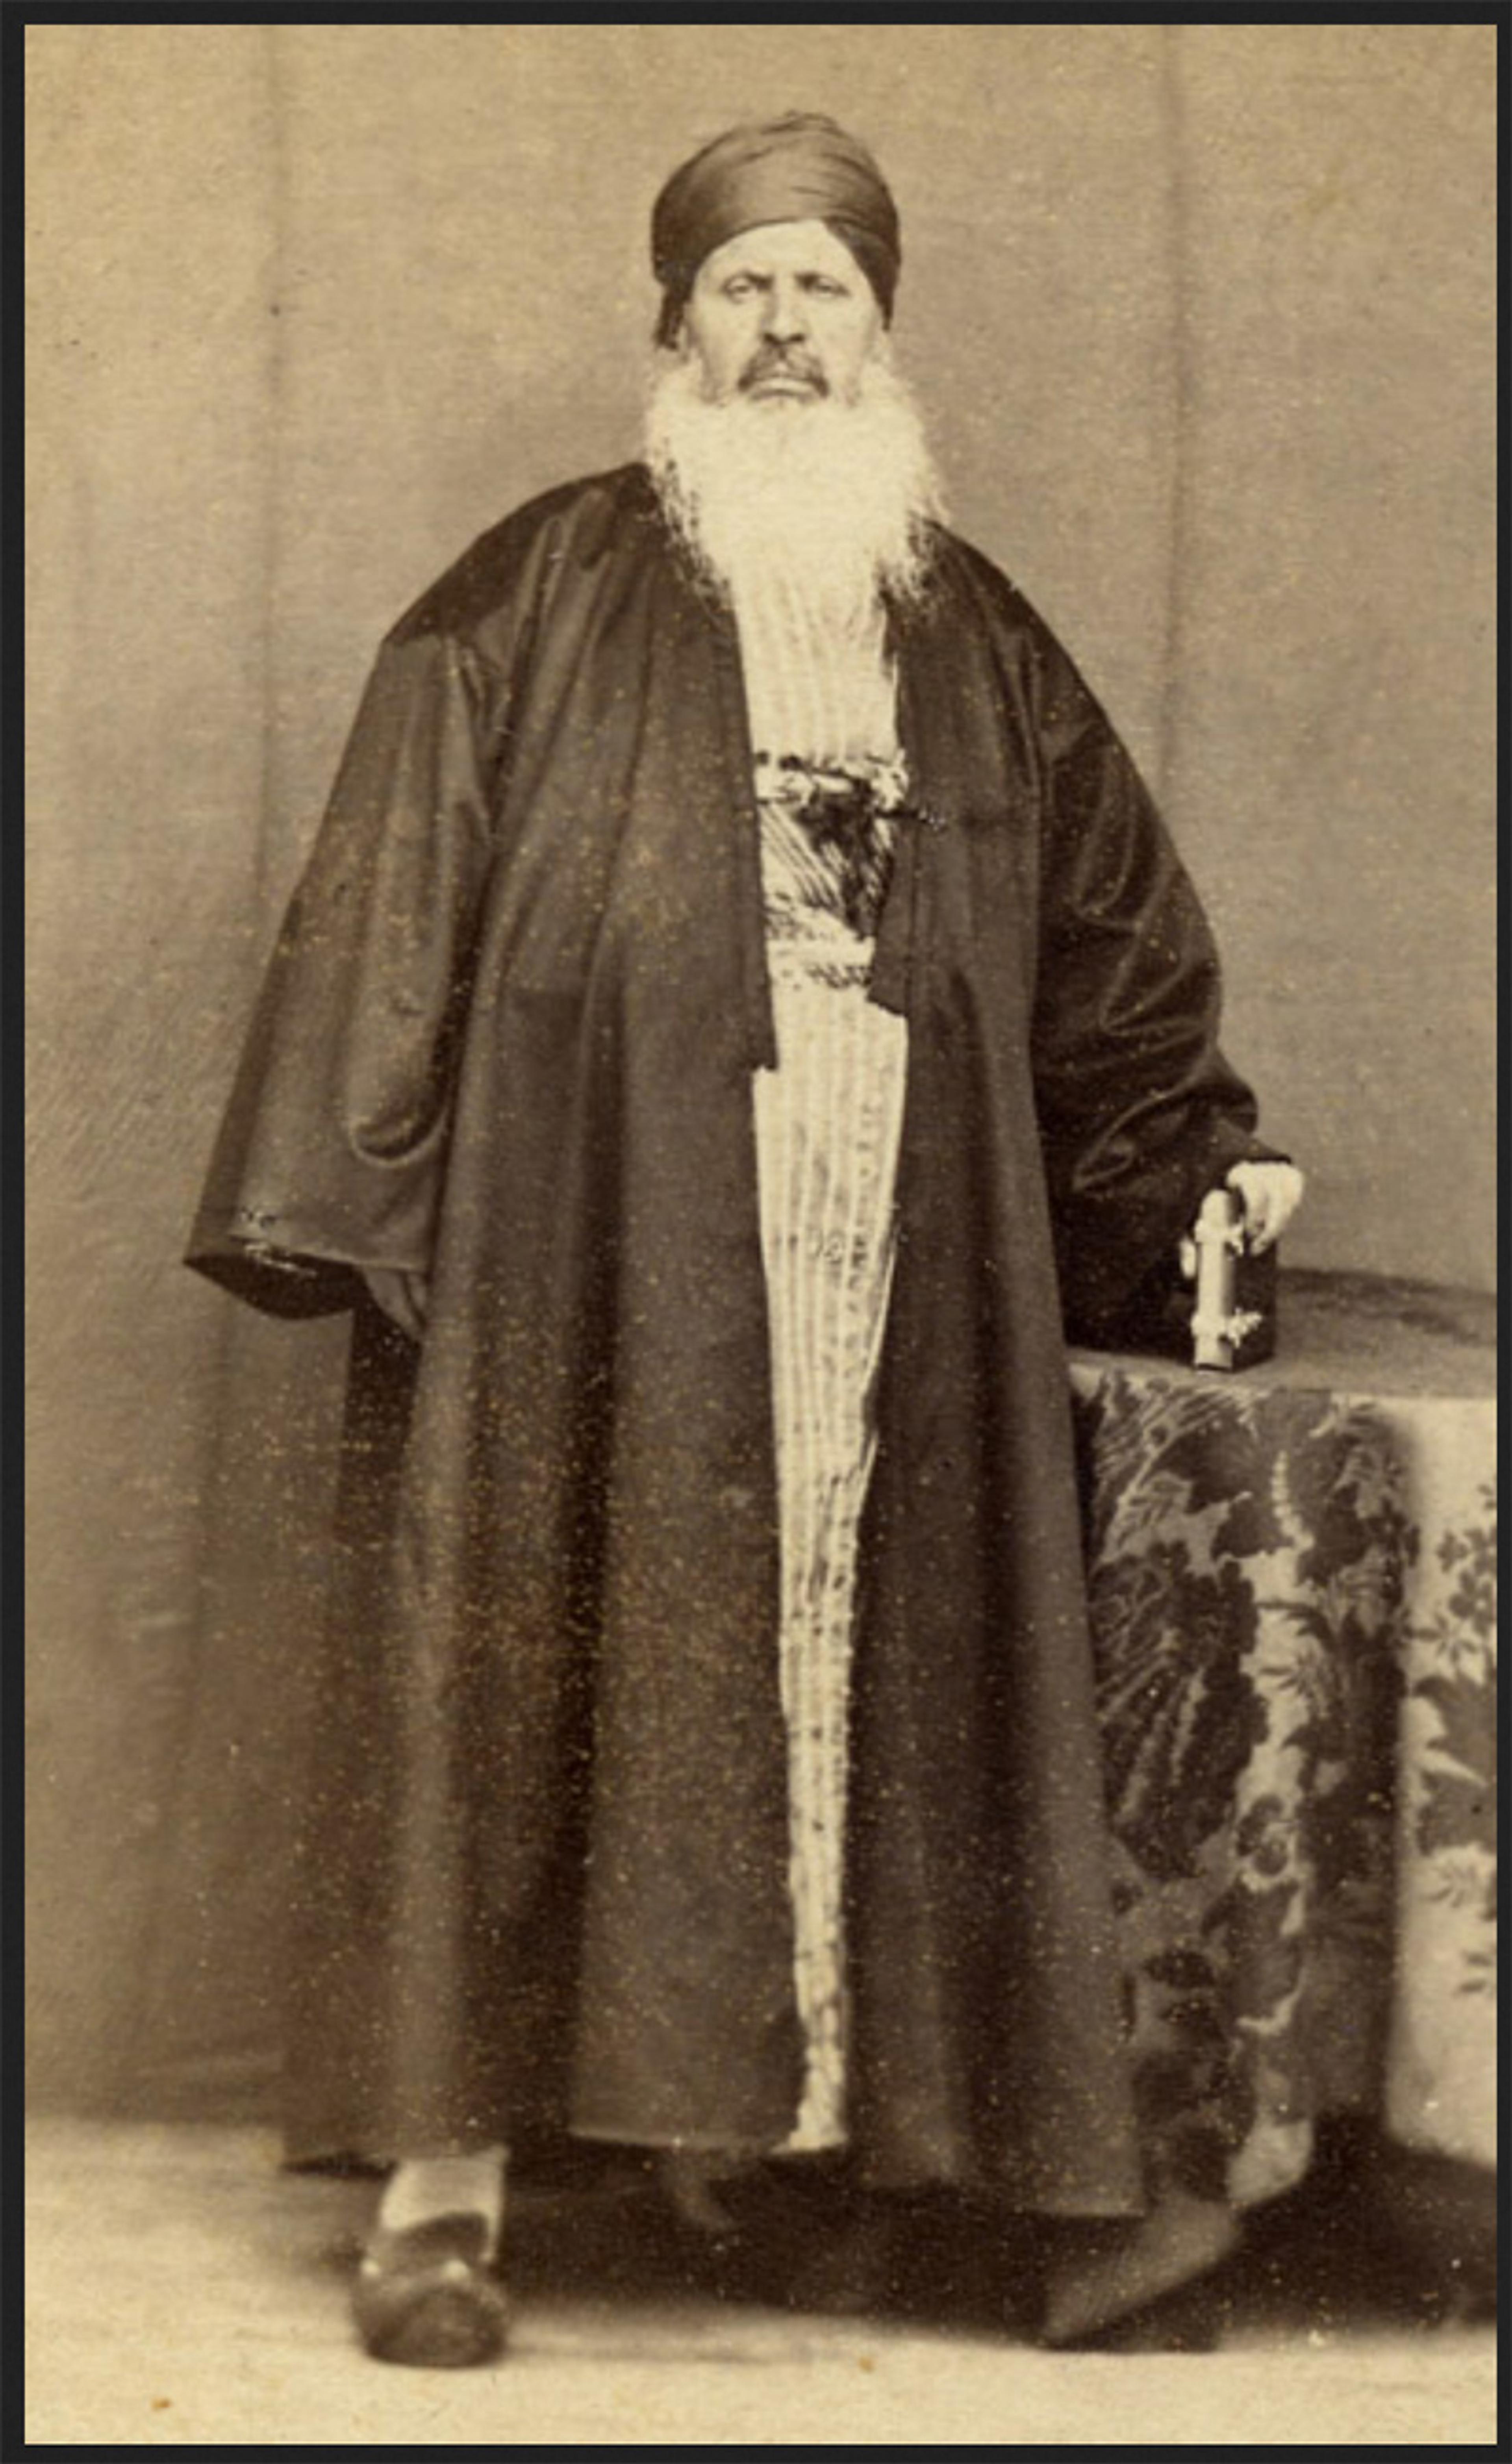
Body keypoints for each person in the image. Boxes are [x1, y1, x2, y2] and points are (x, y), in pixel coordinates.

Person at [187, 111, 1303, 2367]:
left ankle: (782, 2157)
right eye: (745, 290)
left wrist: (1187, 1159)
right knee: (533, 1661)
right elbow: (394, 887)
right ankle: (446, 2194)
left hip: (900, 1243)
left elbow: (1109, 944)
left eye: (828, 291)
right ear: (674, 324)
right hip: (590, 1235)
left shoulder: (973, 629)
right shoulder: (535, 590)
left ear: (882, 330)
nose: (786, 331)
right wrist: (369, 1187)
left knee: (870, 1671)